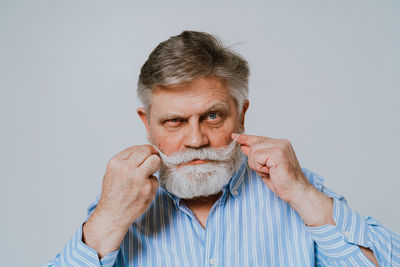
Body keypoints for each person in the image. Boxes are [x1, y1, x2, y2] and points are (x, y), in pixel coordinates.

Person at [45, 31, 400, 267]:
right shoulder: (120, 203)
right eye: (175, 122)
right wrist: (108, 217)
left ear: (241, 114)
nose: (196, 139)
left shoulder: (294, 191)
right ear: (146, 122)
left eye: (212, 116)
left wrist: (302, 193)